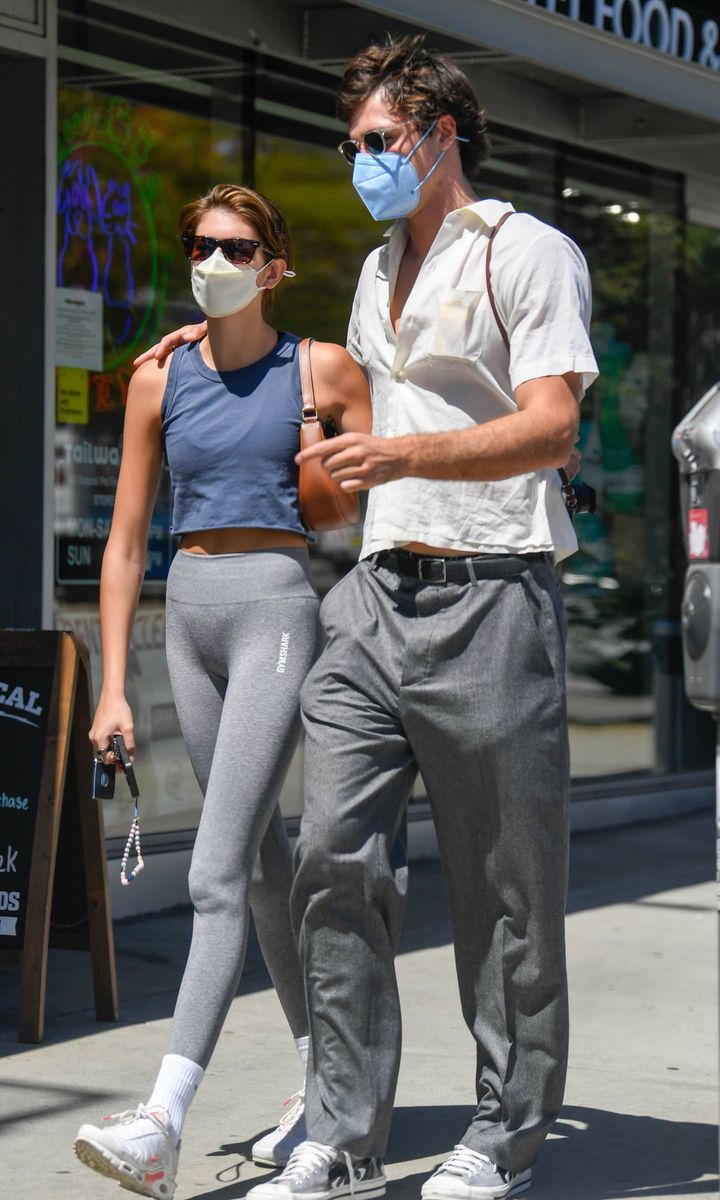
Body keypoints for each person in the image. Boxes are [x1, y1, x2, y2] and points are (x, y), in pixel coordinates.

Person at [244, 35, 599, 1200]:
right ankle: (344, 1135)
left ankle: (505, 1128)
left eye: (379, 142)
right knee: (332, 860)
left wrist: (405, 448)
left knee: (506, 892)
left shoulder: (528, 254)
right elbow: (348, 414)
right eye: (351, 145)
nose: (361, 163)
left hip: (493, 595)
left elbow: (552, 427)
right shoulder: (374, 267)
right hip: (376, 596)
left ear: (441, 134)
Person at [73, 183, 371, 1200]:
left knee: (211, 867)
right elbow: (122, 544)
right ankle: (322, 1081)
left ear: (273, 265)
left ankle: (160, 1120)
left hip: (276, 611)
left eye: (236, 246)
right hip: (187, 612)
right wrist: (114, 686)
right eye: (201, 243)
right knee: (254, 864)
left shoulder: (320, 369)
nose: (214, 259)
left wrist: (326, 474)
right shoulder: (160, 376)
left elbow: (363, 513)